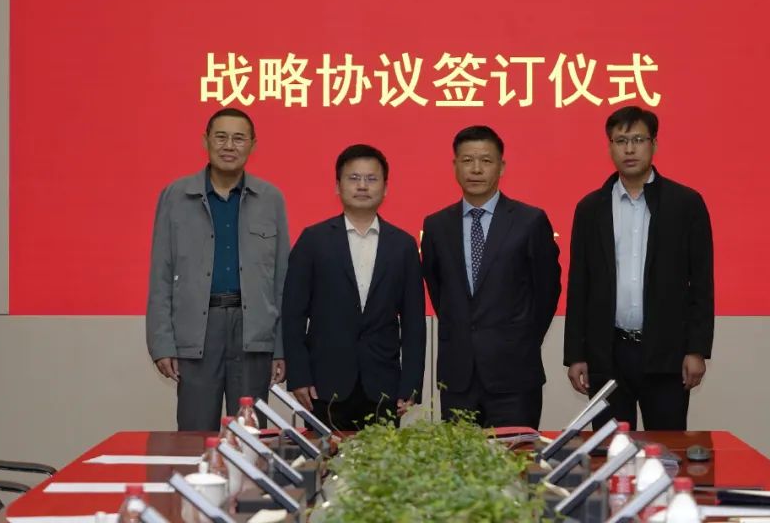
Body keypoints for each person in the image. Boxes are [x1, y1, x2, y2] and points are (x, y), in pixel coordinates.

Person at [564, 105, 714, 431]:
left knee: (667, 449)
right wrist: (576, 354)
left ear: (654, 144)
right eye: (620, 141)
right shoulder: (590, 208)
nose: (629, 149)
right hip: (607, 354)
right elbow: (579, 285)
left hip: (667, 353)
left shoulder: (685, 204)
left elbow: (701, 283)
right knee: (609, 450)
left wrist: (697, 349)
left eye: (638, 140)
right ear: (610, 147)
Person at [146, 108, 288, 431]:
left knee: (251, 435)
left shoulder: (270, 199)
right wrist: (162, 343)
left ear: (252, 145)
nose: (229, 146)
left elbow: (282, 280)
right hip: (198, 331)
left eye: (239, 138)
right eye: (221, 137)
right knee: (194, 434)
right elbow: (161, 276)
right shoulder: (176, 196)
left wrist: (281, 347)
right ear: (205, 141)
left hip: (254, 333)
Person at [421, 125, 561, 429]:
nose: (476, 169)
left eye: (486, 160)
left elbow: (547, 291)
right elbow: (439, 291)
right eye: (467, 160)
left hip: (514, 374)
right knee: (458, 459)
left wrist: (519, 339)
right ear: (455, 166)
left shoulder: (530, 221)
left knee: (516, 455)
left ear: (501, 166)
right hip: (458, 377)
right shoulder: (436, 226)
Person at [282, 144, 426, 430]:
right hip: (324, 385)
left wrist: (411, 383)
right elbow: (292, 314)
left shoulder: (403, 245)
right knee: (324, 456)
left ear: (385, 188)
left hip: (383, 384)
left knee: (384, 459)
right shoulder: (313, 240)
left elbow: (413, 322)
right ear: (338, 186)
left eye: (371, 179)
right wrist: (298, 375)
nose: (362, 186)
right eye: (354, 178)